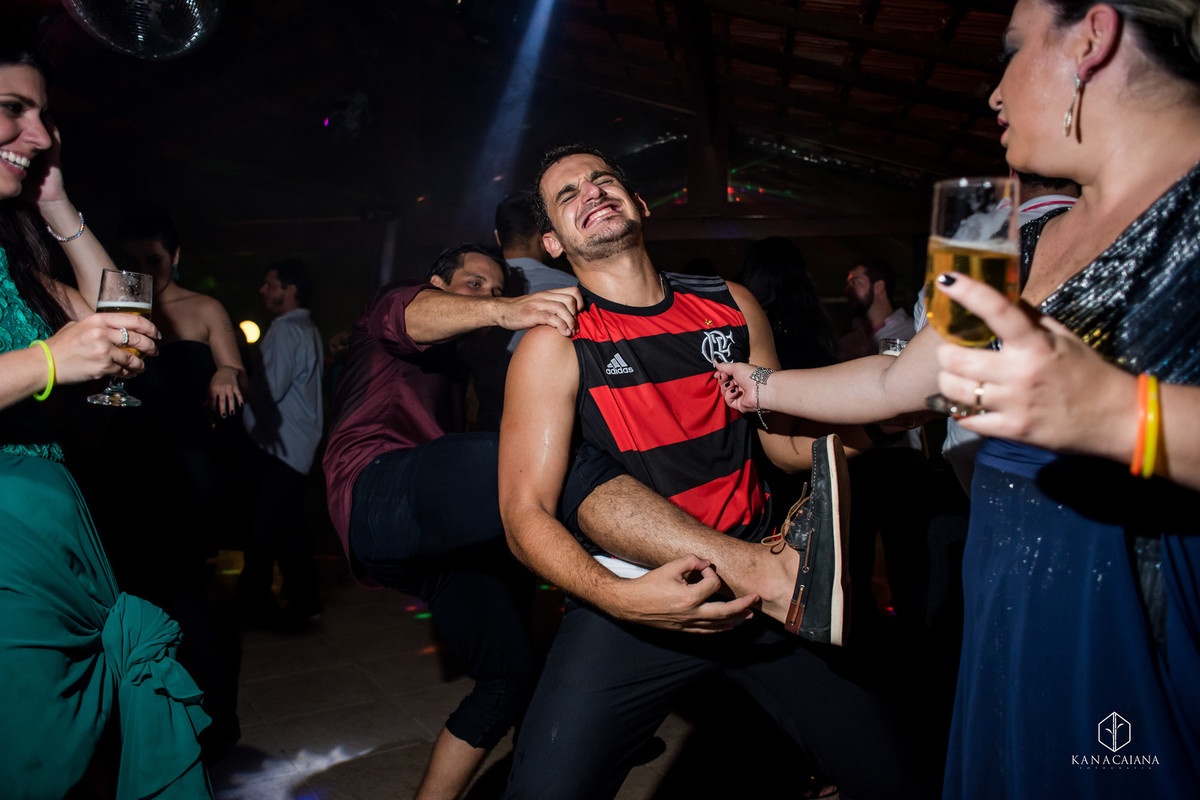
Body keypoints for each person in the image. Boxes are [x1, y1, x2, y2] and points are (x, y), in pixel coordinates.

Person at [715, 1, 1200, 795]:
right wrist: (761, 383)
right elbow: (898, 379)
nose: (994, 94)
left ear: (1092, 37)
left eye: (1012, 51)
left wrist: (1121, 416)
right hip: (1011, 580)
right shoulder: (1014, 234)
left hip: (1138, 599)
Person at [498, 145, 929, 799]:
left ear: (640, 205)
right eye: (568, 195)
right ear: (555, 244)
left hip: (763, 586)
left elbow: (780, 446)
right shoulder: (554, 342)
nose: (590, 191)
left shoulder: (729, 303)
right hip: (636, 602)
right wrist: (617, 598)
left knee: (896, 775)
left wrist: (872, 427)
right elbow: (523, 513)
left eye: (602, 179)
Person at [0, 36, 211, 798]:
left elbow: (116, 314)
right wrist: (51, 363)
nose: (41, 135)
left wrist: (53, 201)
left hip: (68, 540)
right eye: (12, 111)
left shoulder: (10, 247)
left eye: (45, 118)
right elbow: (74, 346)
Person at [323, 243, 582, 800]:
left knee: (507, 676)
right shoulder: (394, 304)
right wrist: (507, 309)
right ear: (437, 281)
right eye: (474, 284)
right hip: (375, 489)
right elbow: (413, 314)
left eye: (495, 288)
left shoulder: (459, 364)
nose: (487, 296)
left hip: (430, 539)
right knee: (553, 462)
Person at [239, 260, 324, 624]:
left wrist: (229, 378)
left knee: (263, 528)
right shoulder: (307, 327)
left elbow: (268, 392)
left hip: (281, 444)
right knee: (288, 527)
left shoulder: (286, 329)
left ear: (289, 290)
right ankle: (304, 600)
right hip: (295, 444)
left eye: (269, 284)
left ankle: (252, 602)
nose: (263, 290)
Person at [838, 256, 915, 360]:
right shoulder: (849, 340)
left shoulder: (912, 331)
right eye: (848, 284)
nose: (848, 289)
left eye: (855, 282)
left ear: (878, 287)